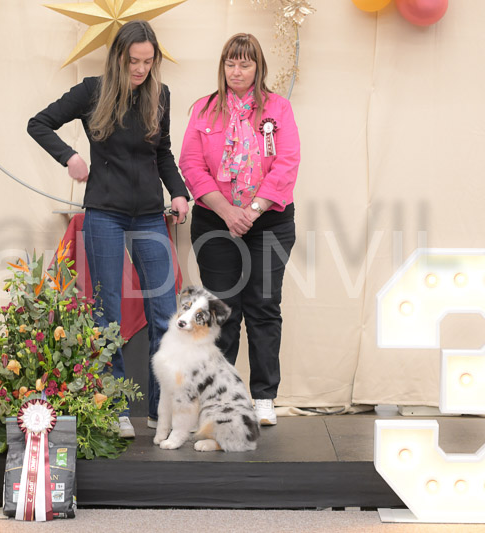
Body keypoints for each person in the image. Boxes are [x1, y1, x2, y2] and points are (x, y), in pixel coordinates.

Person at [27, 20, 190, 437]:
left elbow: (164, 153)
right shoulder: (91, 91)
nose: (140, 69)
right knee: (107, 314)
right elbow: (38, 123)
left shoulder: (160, 95)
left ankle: (159, 410)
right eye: (134, 61)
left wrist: (178, 192)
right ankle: (113, 407)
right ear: (118, 57)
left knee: (165, 314)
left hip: (150, 214)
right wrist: (69, 157)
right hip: (104, 213)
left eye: (148, 62)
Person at [179, 33, 300, 426]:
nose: (237, 71)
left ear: (258, 67)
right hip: (216, 221)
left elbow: (286, 163)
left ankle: (264, 397)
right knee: (222, 311)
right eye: (230, 63)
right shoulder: (204, 109)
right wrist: (227, 211)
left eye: (245, 64)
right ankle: (221, 399)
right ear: (223, 66)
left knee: (264, 307)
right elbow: (191, 164)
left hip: (270, 222)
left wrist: (252, 210)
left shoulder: (278, 109)